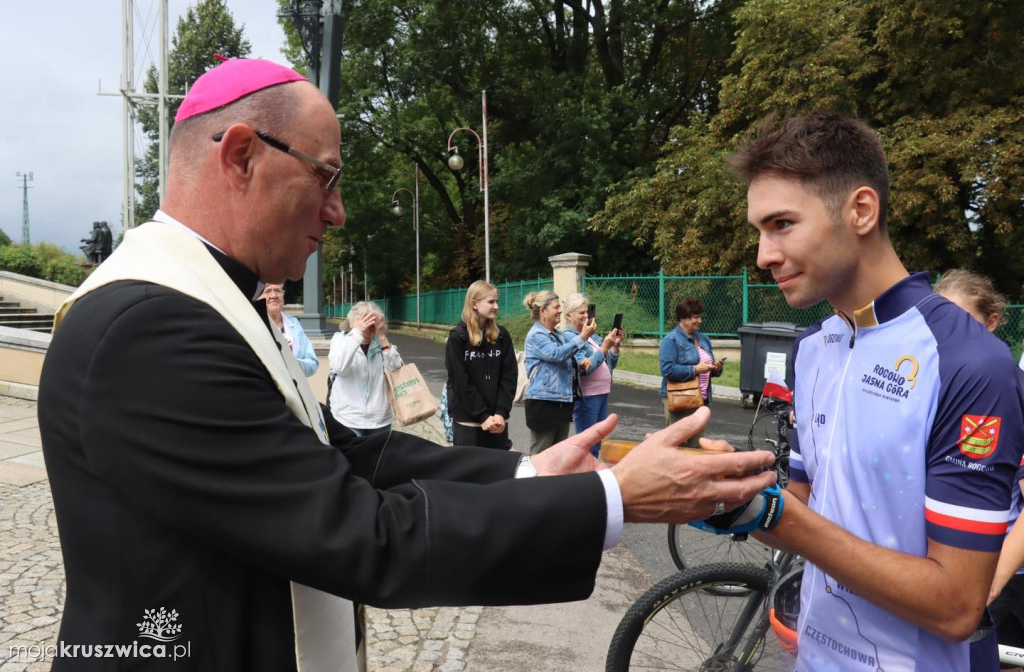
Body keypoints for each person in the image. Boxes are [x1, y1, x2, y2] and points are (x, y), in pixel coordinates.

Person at [36, 57, 778, 671]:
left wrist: (531, 474)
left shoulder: (195, 301)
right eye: (326, 178)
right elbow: (361, 532)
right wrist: (615, 498)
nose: (337, 213)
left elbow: (348, 457)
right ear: (240, 156)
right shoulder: (150, 324)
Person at [716, 111, 1024, 671]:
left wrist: (779, 517)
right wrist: (732, 498)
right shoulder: (814, 348)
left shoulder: (969, 363)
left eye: (782, 224)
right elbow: (809, 512)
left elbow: (958, 606)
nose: (763, 255)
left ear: (861, 210)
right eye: (759, 231)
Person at [935, 269, 1024, 671]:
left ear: (992, 322)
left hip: (998, 573)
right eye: (939, 323)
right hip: (936, 574)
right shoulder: (928, 382)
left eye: (963, 324)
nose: (948, 338)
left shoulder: (1004, 389)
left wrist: (988, 586)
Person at [444, 280, 517, 449]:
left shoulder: (502, 336)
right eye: (491, 302)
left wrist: (501, 412)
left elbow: (509, 376)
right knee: (469, 473)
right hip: (469, 423)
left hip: (497, 423)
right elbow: (460, 382)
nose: (496, 306)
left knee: (499, 472)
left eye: (496, 301)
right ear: (474, 304)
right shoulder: (457, 337)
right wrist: (482, 416)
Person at [523, 290, 590, 454]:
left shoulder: (559, 335)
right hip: (544, 403)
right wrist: (582, 337)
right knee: (541, 455)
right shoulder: (536, 335)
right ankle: (534, 481)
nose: (560, 310)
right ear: (543, 311)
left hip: (563, 402)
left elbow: (569, 354)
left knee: (558, 456)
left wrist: (581, 363)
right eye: (556, 307)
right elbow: (556, 354)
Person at [562, 293, 623, 457]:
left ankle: (590, 475)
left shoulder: (592, 335)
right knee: (587, 443)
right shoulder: (569, 337)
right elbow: (584, 368)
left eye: (587, 312)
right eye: (581, 313)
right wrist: (604, 347)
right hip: (587, 396)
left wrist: (614, 347)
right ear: (568, 315)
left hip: (601, 393)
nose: (586, 316)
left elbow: (608, 364)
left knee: (597, 441)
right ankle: (584, 478)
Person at [328, 300, 402, 436]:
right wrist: (357, 333)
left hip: (379, 419)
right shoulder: (340, 340)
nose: (368, 327)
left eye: (372, 322)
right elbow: (340, 367)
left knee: (378, 457)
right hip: (347, 417)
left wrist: (381, 336)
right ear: (352, 322)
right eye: (364, 321)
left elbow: (397, 370)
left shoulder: (381, 344)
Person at [659, 297, 724, 447]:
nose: (699, 320)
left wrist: (715, 368)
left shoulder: (704, 339)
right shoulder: (670, 340)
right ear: (683, 318)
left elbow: (707, 369)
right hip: (679, 399)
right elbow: (667, 370)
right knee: (677, 445)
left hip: (701, 401)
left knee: (697, 446)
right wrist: (695, 369)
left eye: (700, 316)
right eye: (696, 317)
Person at [260, 282, 319, 377]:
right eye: (267, 291)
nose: (274, 295)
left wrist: (291, 360)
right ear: (259, 297)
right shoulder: (255, 325)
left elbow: (312, 364)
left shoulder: (295, 324)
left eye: (278, 291)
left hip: (295, 389)